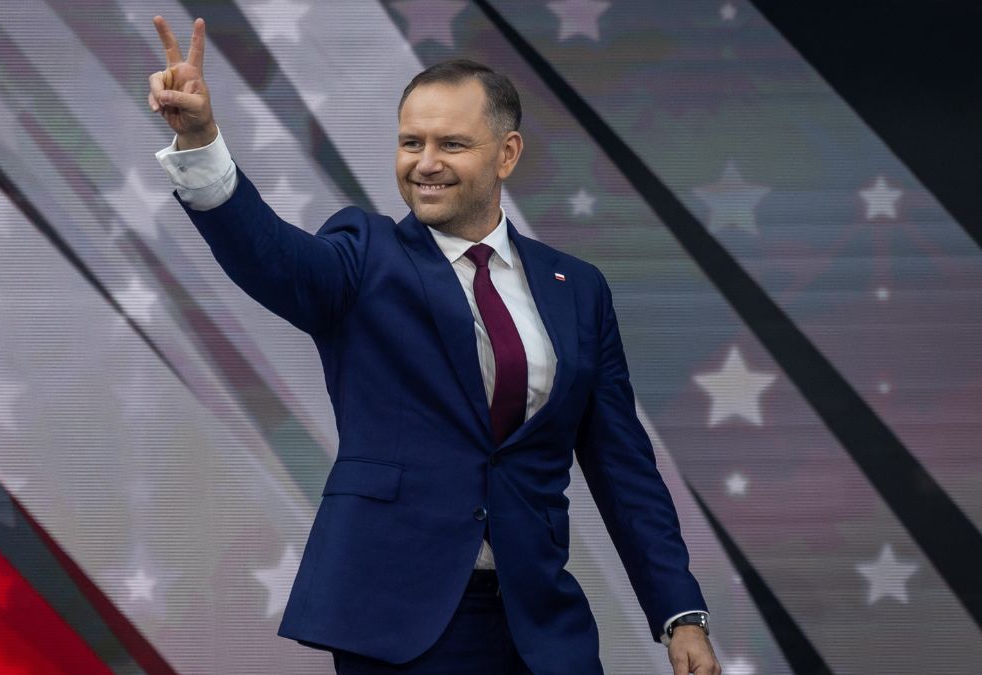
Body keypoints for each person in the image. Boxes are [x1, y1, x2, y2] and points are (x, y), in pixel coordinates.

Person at [147, 14, 721, 675]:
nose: (425, 164)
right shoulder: (366, 255)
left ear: (506, 154)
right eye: (410, 143)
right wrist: (201, 144)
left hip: (539, 625)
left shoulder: (578, 289)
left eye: (451, 144)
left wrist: (680, 612)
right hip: (399, 621)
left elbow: (624, 468)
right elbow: (272, 258)